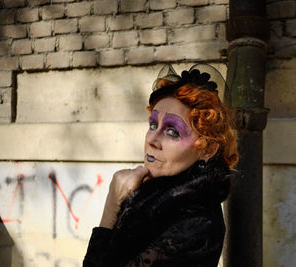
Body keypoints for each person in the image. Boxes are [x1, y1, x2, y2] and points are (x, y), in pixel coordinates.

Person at [83, 64, 238, 267]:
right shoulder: (155, 197)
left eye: (172, 132)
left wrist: (112, 206)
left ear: (207, 149)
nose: (152, 140)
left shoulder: (194, 223)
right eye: (153, 125)